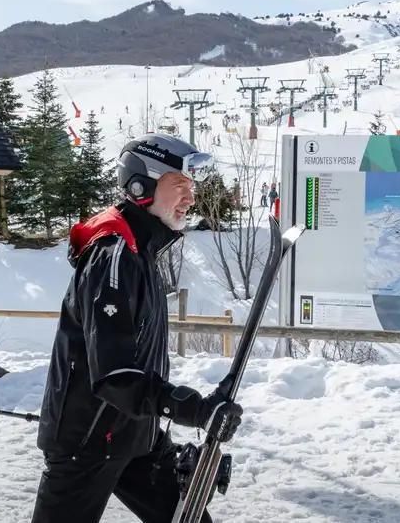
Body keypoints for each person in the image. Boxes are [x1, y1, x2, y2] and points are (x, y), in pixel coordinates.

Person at [32, 133, 243, 523]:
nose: (191, 197)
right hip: (89, 441)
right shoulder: (113, 256)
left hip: (135, 436)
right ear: (141, 185)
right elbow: (114, 376)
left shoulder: (140, 250)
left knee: (192, 519)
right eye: (180, 184)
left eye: (191, 187)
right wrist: (194, 409)